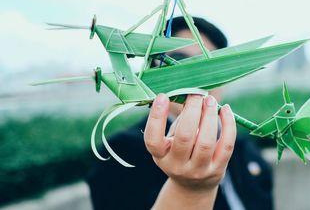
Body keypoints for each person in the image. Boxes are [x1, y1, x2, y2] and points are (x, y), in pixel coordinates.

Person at [87, 17, 274, 210]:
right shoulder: (120, 152)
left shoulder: (244, 148)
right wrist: (189, 190)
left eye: (212, 65)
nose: (197, 78)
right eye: (180, 62)